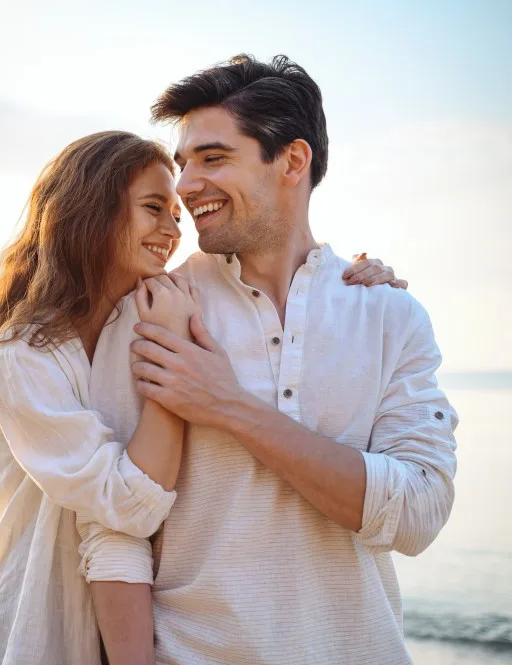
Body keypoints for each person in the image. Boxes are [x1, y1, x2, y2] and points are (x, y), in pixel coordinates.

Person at [0, 129, 403, 663]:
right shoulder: (24, 352)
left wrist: (352, 284)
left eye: (175, 216)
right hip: (45, 616)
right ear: (91, 212)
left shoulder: (139, 312)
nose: (172, 230)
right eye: (153, 208)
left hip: (139, 620)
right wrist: (174, 359)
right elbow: (127, 505)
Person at [80, 55, 458, 665]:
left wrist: (230, 407)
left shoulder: (389, 314)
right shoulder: (152, 309)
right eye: (184, 164)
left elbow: (417, 513)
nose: (185, 185)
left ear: (292, 161)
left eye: (214, 158)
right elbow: (114, 528)